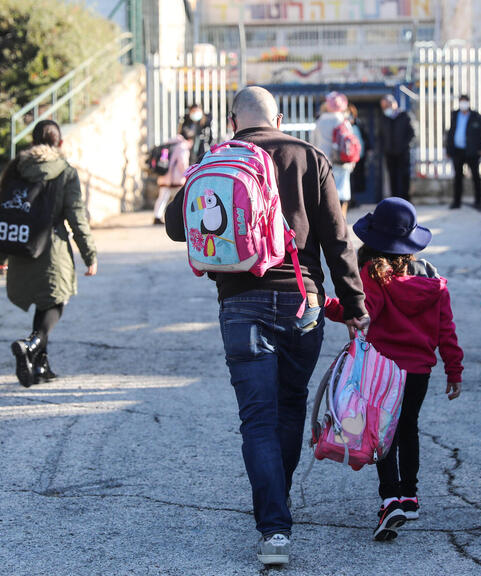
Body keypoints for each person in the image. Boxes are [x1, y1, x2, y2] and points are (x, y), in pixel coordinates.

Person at [165, 86, 368, 567]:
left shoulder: (217, 159)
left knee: (256, 418)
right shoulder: (308, 157)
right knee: (290, 405)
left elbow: (177, 225)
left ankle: (273, 528)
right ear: (278, 117)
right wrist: (355, 304)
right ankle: (278, 501)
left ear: (233, 121)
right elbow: (338, 238)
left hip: (239, 303)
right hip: (303, 301)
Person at [324, 197, 463, 542]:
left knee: (381, 432)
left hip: (383, 371)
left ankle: (390, 498)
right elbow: (446, 329)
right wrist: (454, 370)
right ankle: (410, 496)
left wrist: (323, 304)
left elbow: (359, 311)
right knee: (409, 428)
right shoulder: (432, 278)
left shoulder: (373, 275)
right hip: (419, 371)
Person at [0, 120, 98, 388]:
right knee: (54, 301)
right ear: (59, 143)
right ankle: (31, 345)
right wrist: (90, 254)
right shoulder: (64, 171)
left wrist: (0, 253)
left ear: (33, 141)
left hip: (20, 245)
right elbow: (76, 216)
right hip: (52, 248)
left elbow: (3, 209)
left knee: (43, 303)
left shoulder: (16, 168)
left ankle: (41, 365)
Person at [311, 92, 354, 217]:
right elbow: (349, 144)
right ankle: (341, 221)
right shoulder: (343, 122)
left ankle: (329, 222)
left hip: (323, 161)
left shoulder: (319, 123)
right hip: (341, 161)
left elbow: (313, 143)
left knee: (326, 193)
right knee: (342, 193)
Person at [445, 95, 481, 210]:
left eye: (465, 102)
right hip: (457, 150)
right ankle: (456, 201)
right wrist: (449, 149)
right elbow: (450, 132)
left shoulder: (476, 116)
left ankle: (478, 201)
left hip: (472, 151)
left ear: (468, 103)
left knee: (476, 177)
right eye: (461, 102)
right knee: (457, 177)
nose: (463, 104)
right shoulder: (455, 115)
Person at [153, 126, 194, 226]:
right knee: (182, 198)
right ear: (189, 139)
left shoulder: (169, 143)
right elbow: (182, 164)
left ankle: (157, 216)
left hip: (164, 175)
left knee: (162, 197)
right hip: (176, 178)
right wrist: (187, 174)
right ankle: (182, 218)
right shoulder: (182, 147)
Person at [378, 94, 415, 202]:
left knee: (404, 178)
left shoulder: (405, 116)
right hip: (390, 154)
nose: (385, 109)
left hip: (403, 153)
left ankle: (406, 201)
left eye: (387, 106)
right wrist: (384, 149)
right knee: (393, 178)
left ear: (394, 104)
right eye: (383, 107)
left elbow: (412, 133)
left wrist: (404, 146)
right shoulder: (383, 118)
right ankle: (395, 202)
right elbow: (380, 136)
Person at [347, 104, 369, 206]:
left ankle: (353, 200)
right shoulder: (344, 126)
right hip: (346, 157)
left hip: (358, 157)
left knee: (356, 180)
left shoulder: (358, 125)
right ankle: (349, 201)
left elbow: (364, 139)